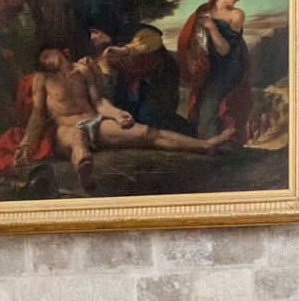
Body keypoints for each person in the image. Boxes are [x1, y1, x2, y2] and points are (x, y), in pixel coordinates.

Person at [14, 46, 234, 192]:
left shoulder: (83, 72)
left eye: (54, 59)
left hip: (95, 123)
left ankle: (204, 145)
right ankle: (85, 175)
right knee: (78, 139)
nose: (49, 63)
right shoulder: (42, 79)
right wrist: (26, 145)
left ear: (64, 55)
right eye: (46, 63)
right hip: (67, 129)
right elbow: (38, 114)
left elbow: (99, 103)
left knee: (145, 133)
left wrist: (116, 114)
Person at [177, 0, 252, 144]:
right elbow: (193, 42)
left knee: (209, 105)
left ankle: (210, 147)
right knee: (199, 104)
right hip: (209, 68)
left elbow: (225, 50)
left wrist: (211, 27)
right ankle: (208, 144)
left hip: (229, 69)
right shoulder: (203, 12)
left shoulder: (237, 15)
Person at [87, 15, 192, 134]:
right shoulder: (107, 49)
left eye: (95, 32)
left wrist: (124, 50)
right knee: (130, 119)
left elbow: (154, 41)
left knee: (149, 118)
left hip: (159, 81)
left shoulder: (139, 33)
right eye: (90, 33)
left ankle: (191, 132)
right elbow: (103, 71)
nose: (92, 37)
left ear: (107, 28)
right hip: (134, 87)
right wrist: (89, 65)